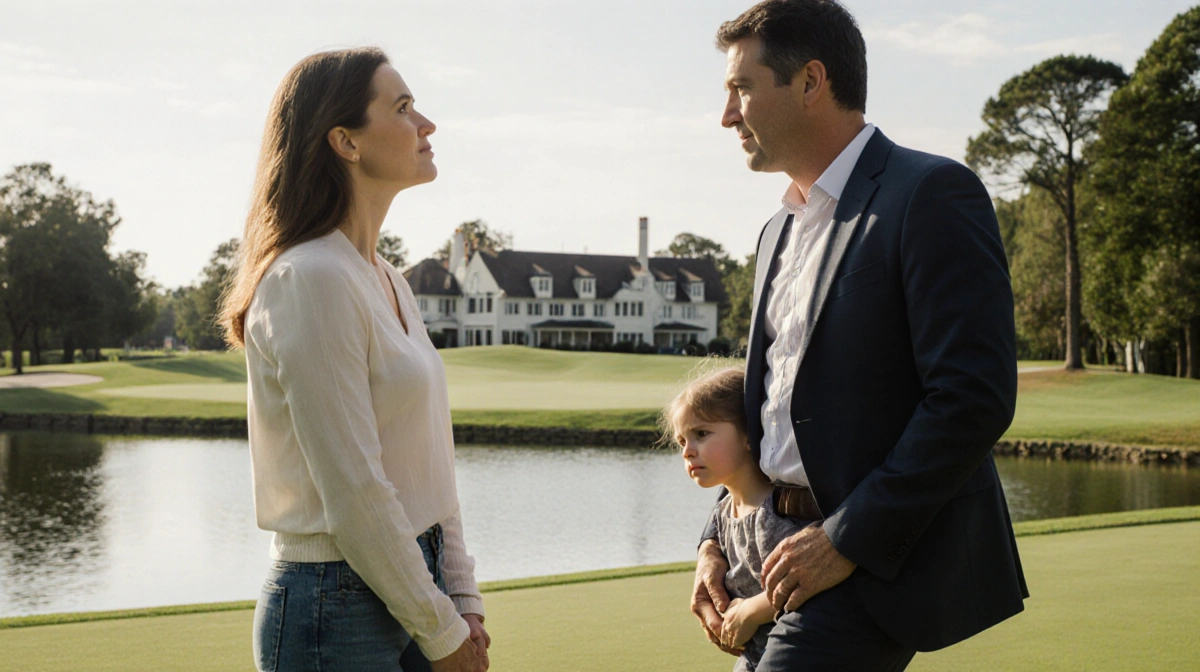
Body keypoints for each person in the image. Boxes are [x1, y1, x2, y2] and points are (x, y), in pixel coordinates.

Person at [690, 1, 1029, 670]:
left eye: (742, 88)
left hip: (867, 565)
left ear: (811, 81)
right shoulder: (775, 232)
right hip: (769, 556)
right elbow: (774, 416)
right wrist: (714, 541)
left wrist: (844, 540)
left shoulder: (931, 193)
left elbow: (972, 397)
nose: (727, 115)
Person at [218, 48, 490, 672]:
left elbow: (430, 463)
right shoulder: (310, 278)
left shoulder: (386, 277)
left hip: (413, 583)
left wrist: (461, 596)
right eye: (403, 108)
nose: (427, 124)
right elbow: (354, 490)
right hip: (334, 606)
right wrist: (441, 629)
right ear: (345, 141)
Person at [665, 367, 815, 671]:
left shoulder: (776, 512)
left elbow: (804, 578)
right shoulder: (722, 515)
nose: (688, 451)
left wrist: (751, 611)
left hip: (798, 650)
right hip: (753, 657)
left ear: (748, 434)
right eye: (682, 441)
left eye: (701, 434)